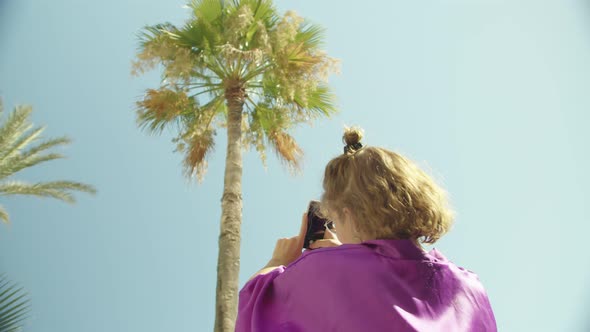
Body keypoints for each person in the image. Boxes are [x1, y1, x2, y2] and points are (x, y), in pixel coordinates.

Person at [235, 128, 497, 332]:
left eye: (336, 220)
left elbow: (254, 308)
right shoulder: (469, 286)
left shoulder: (325, 272)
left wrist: (277, 261)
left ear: (348, 213)